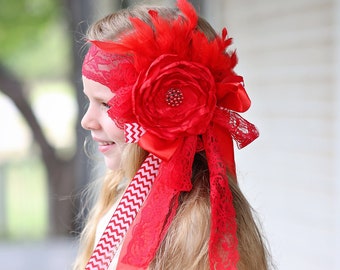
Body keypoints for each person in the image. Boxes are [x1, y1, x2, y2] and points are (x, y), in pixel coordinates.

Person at [74, 0, 272, 269]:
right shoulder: (122, 195)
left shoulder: (195, 227)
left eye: (106, 104)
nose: (87, 121)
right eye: (89, 101)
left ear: (164, 112)